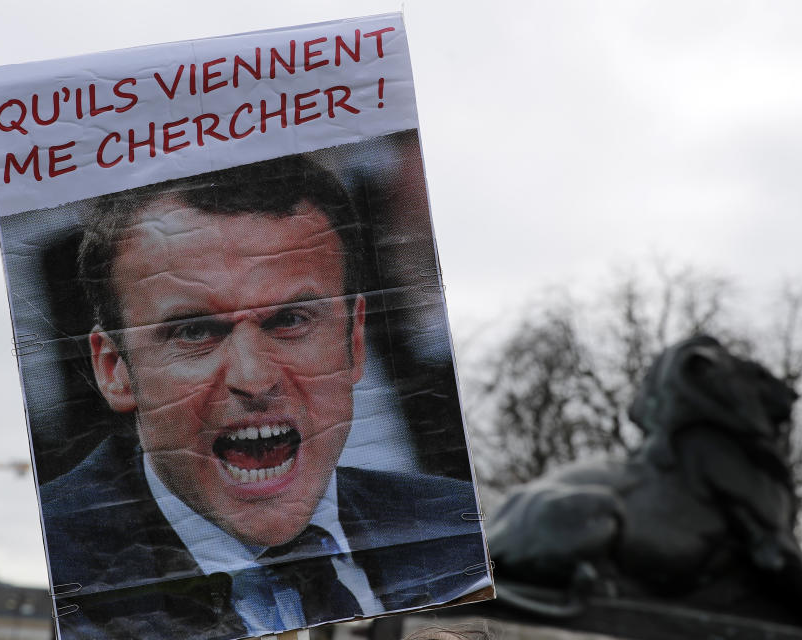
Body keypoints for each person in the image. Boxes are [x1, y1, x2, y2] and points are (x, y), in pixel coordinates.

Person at [40, 155, 489, 640]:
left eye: (290, 321)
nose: (254, 379)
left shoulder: (463, 531)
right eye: (195, 331)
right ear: (114, 369)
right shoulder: (56, 572)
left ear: (354, 341)